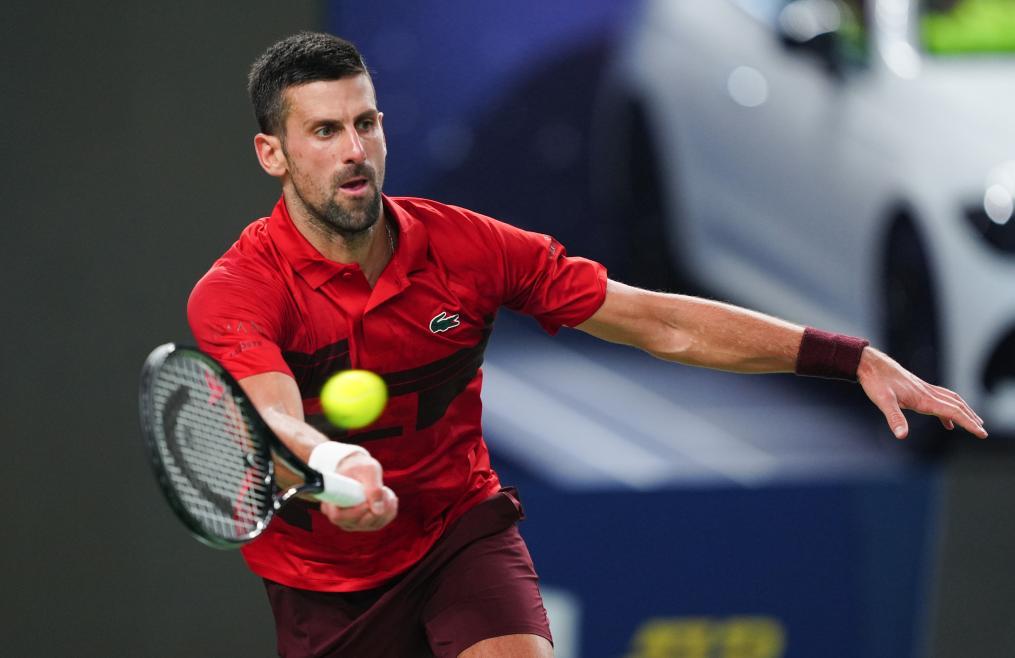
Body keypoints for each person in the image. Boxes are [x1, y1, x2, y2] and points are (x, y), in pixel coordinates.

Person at [187, 31, 986, 658]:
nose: (354, 152)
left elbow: (662, 323)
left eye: (365, 124)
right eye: (324, 131)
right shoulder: (238, 291)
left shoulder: (470, 249)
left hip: (457, 536)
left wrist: (848, 356)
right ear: (273, 153)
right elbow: (273, 423)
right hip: (324, 584)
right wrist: (334, 468)